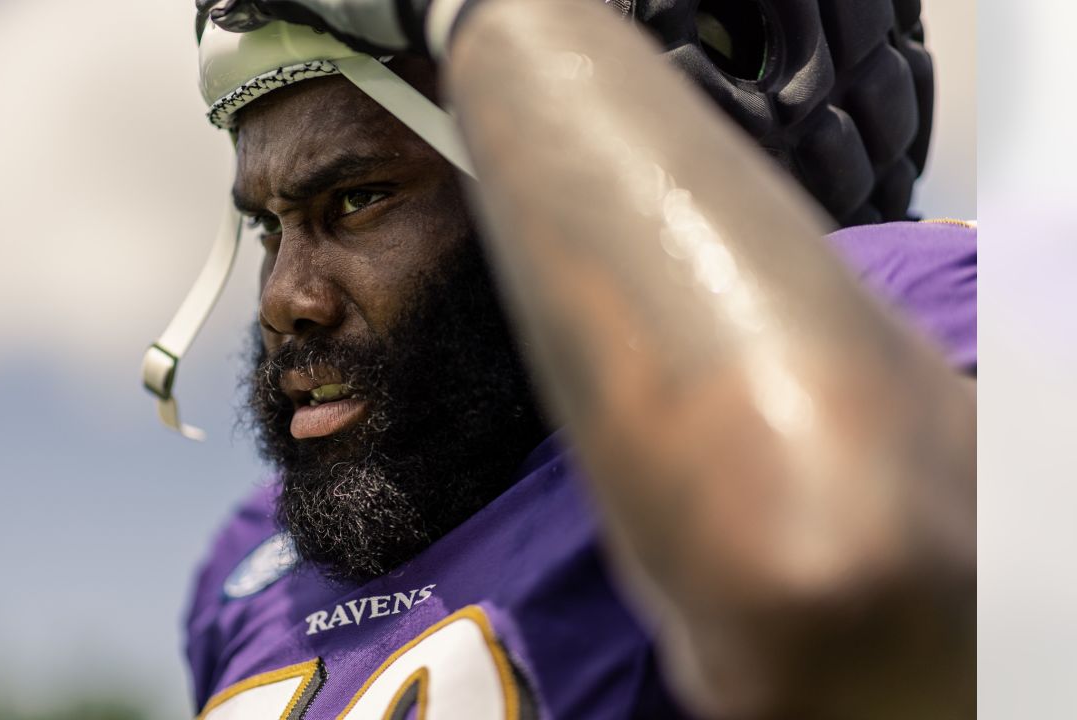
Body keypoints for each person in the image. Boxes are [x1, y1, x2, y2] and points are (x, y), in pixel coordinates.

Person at [169, 0, 975, 717]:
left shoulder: (891, 318)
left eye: (357, 200)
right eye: (270, 227)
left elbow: (848, 572)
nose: (283, 297)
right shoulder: (252, 568)